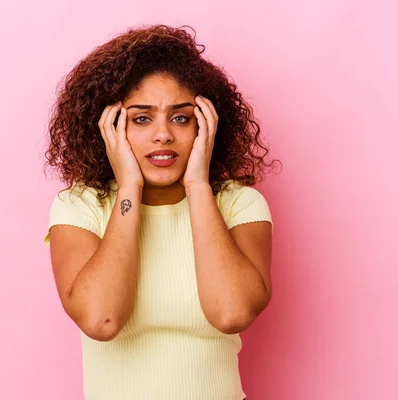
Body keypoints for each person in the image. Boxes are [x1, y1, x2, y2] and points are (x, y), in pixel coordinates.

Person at [43, 24, 278, 400]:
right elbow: (101, 320)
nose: (163, 134)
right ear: (109, 127)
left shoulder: (239, 205)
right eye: (141, 118)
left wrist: (198, 186)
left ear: (206, 125)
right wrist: (130, 189)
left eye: (181, 118)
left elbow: (232, 313)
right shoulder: (80, 206)